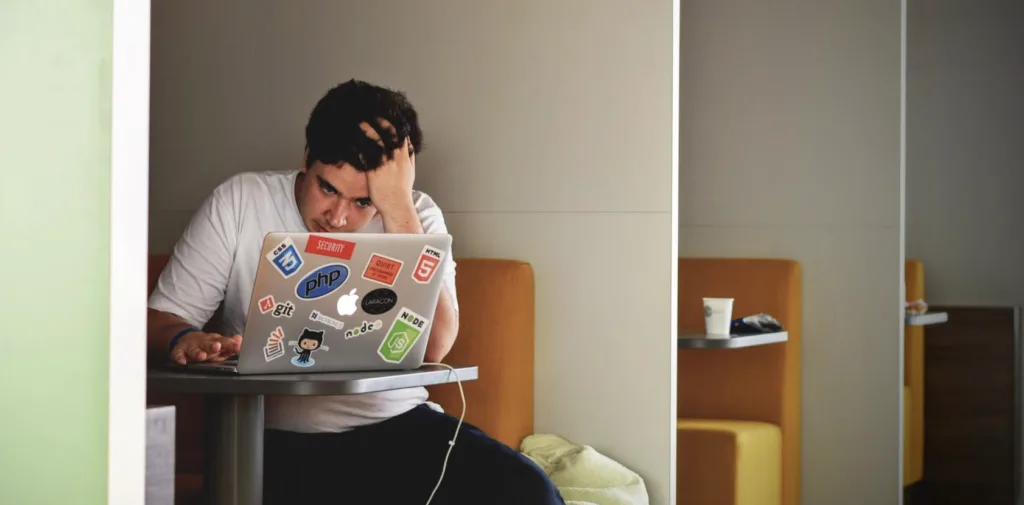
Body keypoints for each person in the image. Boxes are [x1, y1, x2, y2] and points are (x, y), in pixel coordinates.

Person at [146, 79, 565, 505]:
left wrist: (398, 208)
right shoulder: (240, 201)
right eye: (327, 188)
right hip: (274, 440)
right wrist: (186, 339)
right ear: (307, 159)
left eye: (363, 202)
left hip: (399, 425)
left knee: (533, 493)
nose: (338, 218)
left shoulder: (416, 214)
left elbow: (437, 345)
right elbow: (159, 320)